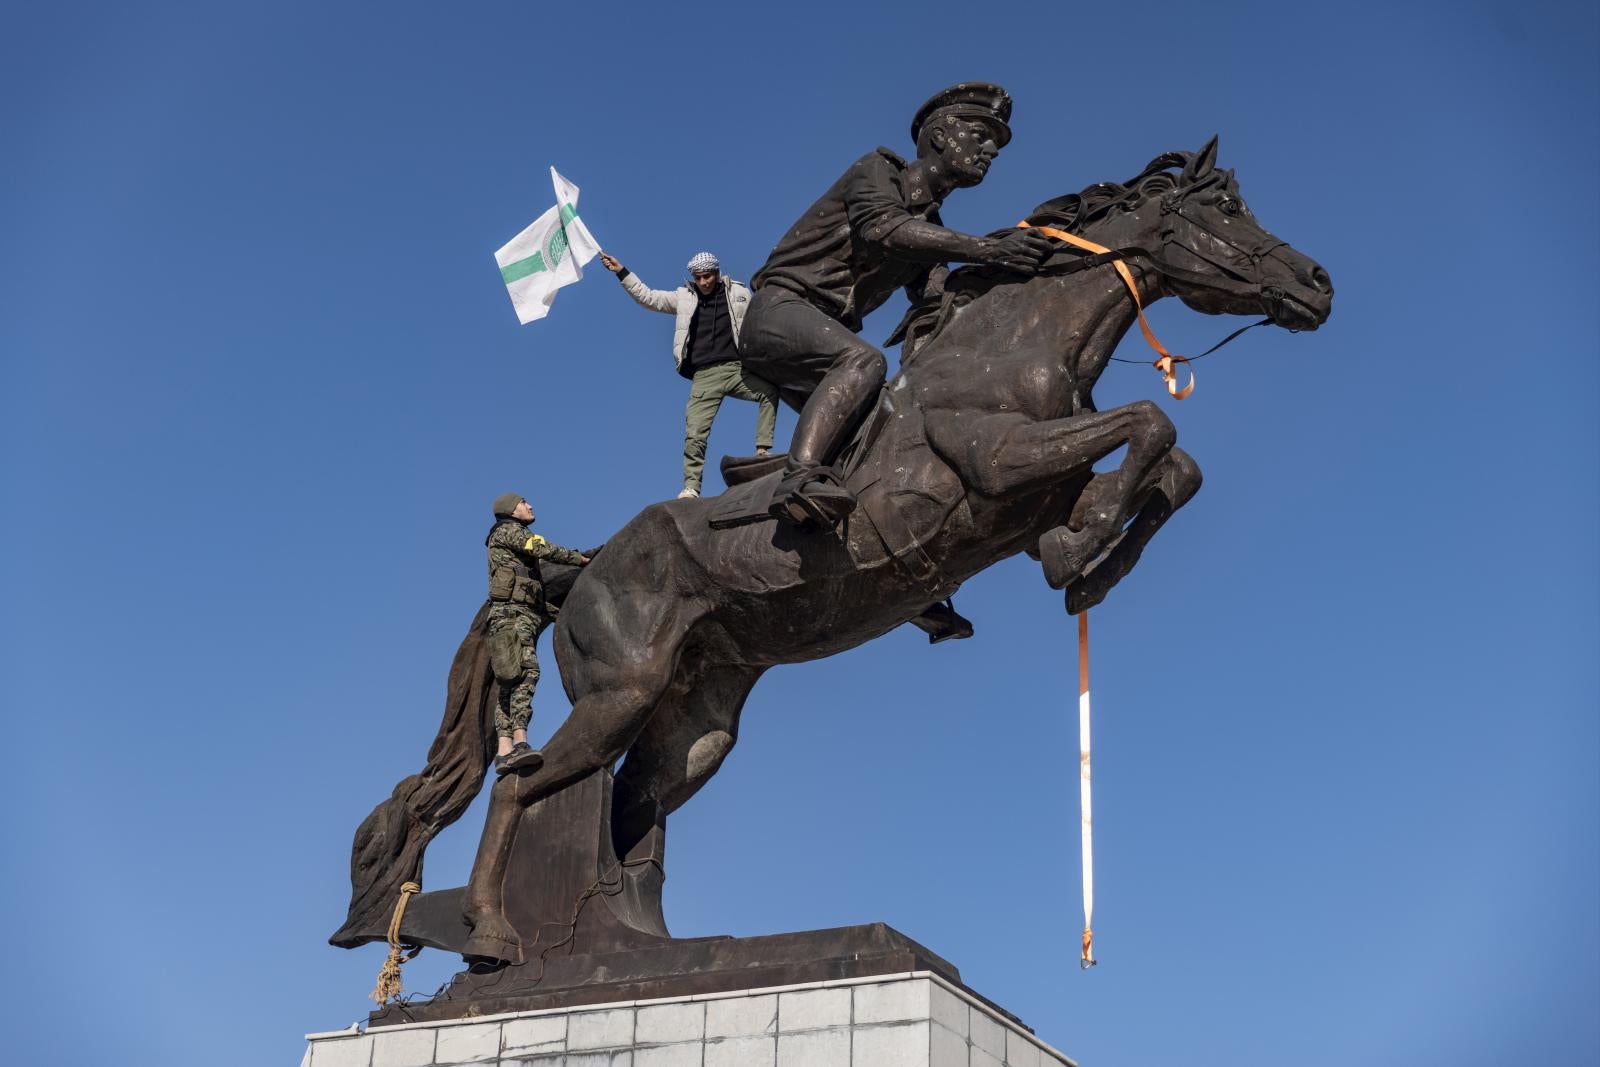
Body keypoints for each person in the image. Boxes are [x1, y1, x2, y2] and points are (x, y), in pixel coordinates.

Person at [740, 82, 1057, 525]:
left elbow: (939, 300)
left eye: (995, 142)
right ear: (942, 136)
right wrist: (987, 249)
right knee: (864, 362)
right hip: (778, 312)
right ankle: (799, 479)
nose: (992, 150)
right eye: (981, 134)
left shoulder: (930, 227)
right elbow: (883, 228)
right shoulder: (876, 171)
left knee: (889, 421)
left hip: (823, 342)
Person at [598, 249, 778, 499]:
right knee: (695, 433)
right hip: (704, 375)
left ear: (717, 273)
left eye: (707, 276)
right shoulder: (684, 297)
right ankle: (692, 486)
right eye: (698, 277)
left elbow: (759, 317)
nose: (703, 282)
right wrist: (621, 271)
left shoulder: (738, 293)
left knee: (769, 391)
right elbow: (648, 297)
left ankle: (762, 451)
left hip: (736, 369)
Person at [484, 492, 589, 775]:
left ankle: (504, 751)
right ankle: (519, 742)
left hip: (519, 614)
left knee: (512, 678)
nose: (529, 506)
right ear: (510, 510)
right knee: (525, 673)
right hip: (513, 615)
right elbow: (542, 548)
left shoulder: (509, 538)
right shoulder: (509, 532)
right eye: (523, 503)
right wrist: (580, 560)